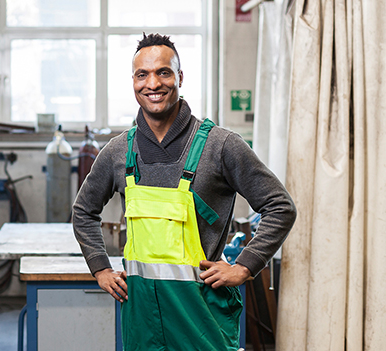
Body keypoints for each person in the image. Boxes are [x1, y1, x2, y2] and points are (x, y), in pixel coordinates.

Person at [72, 33, 297, 350]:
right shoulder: (118, 152)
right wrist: (100, 267)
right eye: (142, 74)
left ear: (179, 77)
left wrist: (245, 266)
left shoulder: (220, 146)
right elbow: (83, 211)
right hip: (143, 322)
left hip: (202, 321)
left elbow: (280, 206)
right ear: (133, 82)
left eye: (163, 72)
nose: (153, 84)